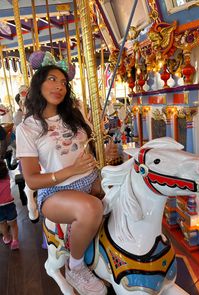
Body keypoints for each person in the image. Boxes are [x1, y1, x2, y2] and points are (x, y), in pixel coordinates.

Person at [16, 64, 118, 295]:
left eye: (63, 82)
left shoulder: (74, 115)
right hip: (55, 191)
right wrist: (70, 171)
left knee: (129, 189)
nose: (59, 86)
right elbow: (31, 179)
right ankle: (76, 267)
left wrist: (107, 155)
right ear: (38, 84)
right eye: (52, 79)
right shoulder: (28, 128)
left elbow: (90, 149)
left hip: (92, 178)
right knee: (92, 207)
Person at [0, 159, 19, 250]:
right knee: (13, 224)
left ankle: (7, 238)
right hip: (9, 204)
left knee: (2, 224)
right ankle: (15, 241)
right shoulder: (7, 177)